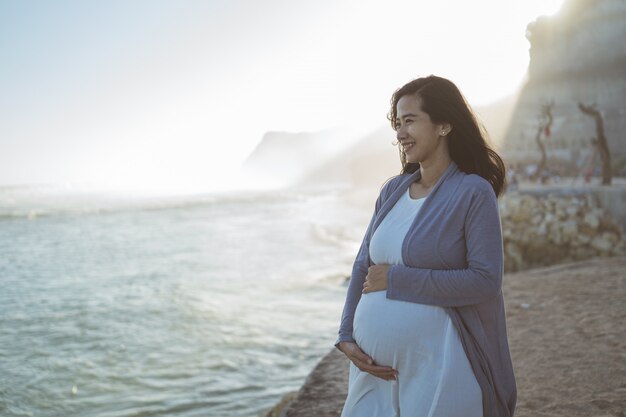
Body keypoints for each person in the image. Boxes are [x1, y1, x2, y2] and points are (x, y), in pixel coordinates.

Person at [334, 75, 517, 417]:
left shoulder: (472, 192)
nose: (400, 133)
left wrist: (396, 279)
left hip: (443, 367)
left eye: (410, 121)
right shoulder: (392, 192)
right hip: (373, 373)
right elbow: (362, 266)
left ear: (444, 125)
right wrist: (346, 335)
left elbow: (485, 281)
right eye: (397, 123)